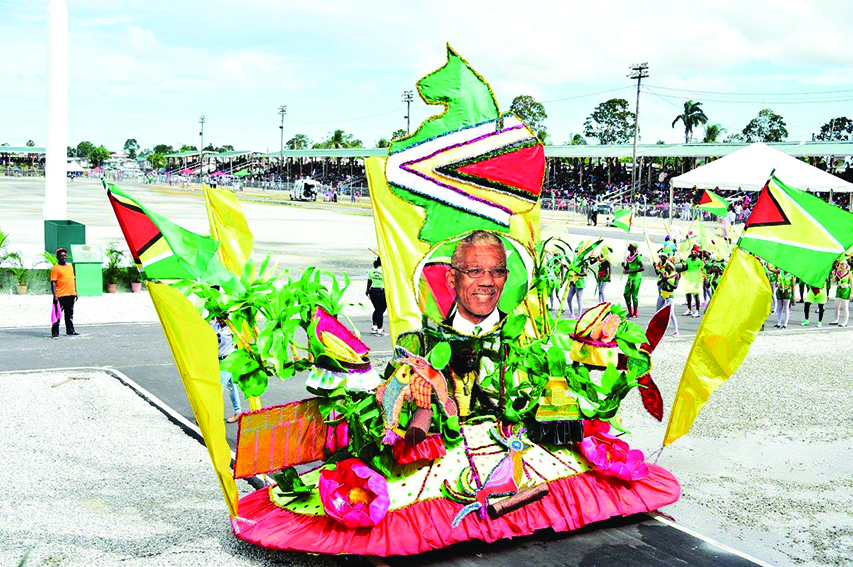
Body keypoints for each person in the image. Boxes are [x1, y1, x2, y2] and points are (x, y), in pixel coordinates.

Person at [443, 231, 508, 335]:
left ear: (506, 277)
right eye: (474, 271)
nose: (487, 281)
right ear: (452, 279)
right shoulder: (430, 336)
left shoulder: (528, 333)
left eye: (497, 271)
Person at [211, 317, 242, 423]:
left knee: (219, 387)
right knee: (231, 386)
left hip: (229, 361)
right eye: (218, 317)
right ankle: (238, 412)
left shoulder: (233, 327)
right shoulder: (215, 325)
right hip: (219, 361)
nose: (219, 319)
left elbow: (240, 342)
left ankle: (213, 416)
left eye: (222, 317)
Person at [50, 248, 79, 338]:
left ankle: (70, 330)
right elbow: (53, 282)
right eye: (61, 256)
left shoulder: (70, 267)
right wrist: (55, 296)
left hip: (70, 294)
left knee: (69, 313)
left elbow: (73, 279)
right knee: (57, 314)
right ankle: (55, 332)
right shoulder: (55, 269)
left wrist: (75, 291)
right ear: (57, 257)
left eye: (65, 256)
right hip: (60, 295)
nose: (63, 257)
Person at [654, 251, 684, 336]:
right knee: (657, 312)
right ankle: (656, 329)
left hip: (670, 295)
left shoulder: (676, 275)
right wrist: (663, 279)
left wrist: (667, 280)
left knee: (671, 314)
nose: (665, 267)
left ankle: (676, 331)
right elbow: (658, 284)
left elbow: (675, 287)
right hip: (662, 294)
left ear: (671, 267)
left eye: (667, 266)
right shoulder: (665, 273)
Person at [366, 257, 388, 336]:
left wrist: (367, 291)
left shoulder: (372, 270)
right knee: (380, 311)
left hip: (372, 291)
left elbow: (369, 281)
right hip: (381, 292)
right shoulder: (385, 271)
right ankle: (380, 329)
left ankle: (374, 327)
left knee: (377, 309)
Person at [621, 243, 643, 319]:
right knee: (626, 294)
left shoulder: (638, 257)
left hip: (637, 278)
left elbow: (642, 268)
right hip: (630, 278)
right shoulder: (628, 257)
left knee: (634, 295)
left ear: (634, 248)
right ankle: (630, 312)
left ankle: (635, 313)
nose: (628, 247)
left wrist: (630, 271)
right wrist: (624, 266)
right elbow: (627, 267)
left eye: (630, 246)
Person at [681, 246, 703, 318]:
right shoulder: (688, 260)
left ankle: (697, 311)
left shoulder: (700, 262)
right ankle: (689, 309)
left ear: (697, 253)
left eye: (695, 252)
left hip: (696, 280)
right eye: (692, 252)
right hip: (688, 279)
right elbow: (685, 268)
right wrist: (683, 264)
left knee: (696, 295)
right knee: (688, 294)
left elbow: (702, 271)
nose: (693, 253)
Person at [830, 257, 851, 327]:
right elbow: (833, 281)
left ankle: (845, 321)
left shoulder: (849, 273)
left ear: (846, 266)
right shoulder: (838, 273)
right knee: (836, 306)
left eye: (843, 264)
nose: (842, 266)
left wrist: (852, 292)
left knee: (845, 306)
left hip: (846, 289)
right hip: (839, 289)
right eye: (841, 264)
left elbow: (852, 283)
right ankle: (836, 320)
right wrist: (833, 274)